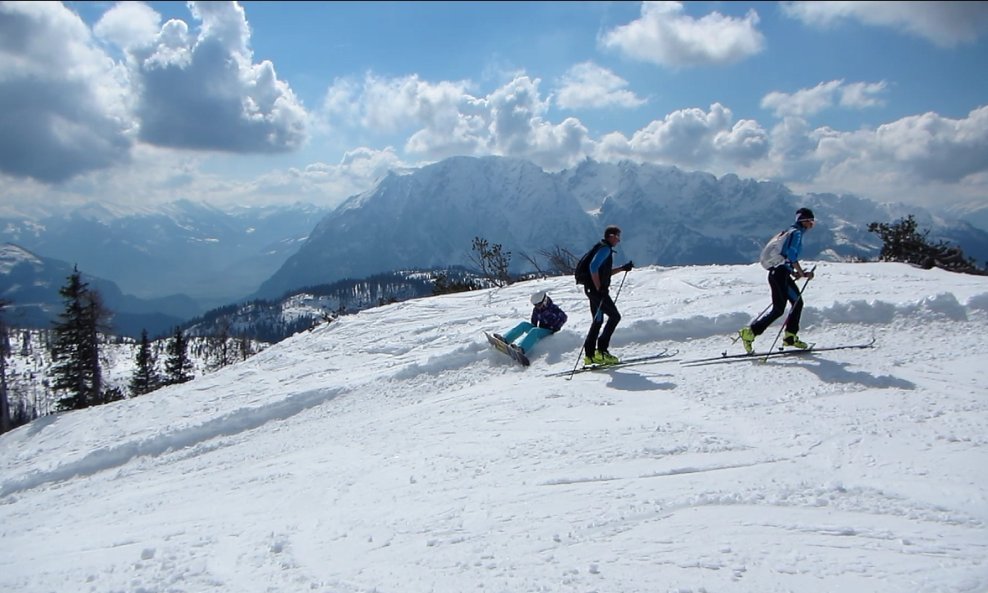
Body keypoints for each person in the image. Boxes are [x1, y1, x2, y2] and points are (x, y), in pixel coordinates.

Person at [738, 208, 817, 354]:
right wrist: (801, 272)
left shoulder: (789, 231)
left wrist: (793, 272)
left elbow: (784, 257)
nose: (812, 224)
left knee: (793, 304)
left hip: (778, 273)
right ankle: (752, 333)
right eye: (811, 221)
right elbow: (791, 254)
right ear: (804, 221)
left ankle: (788, 337)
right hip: (780, 274)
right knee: (783, 308)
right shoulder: (797, 233)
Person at [579, 225, 633, 366]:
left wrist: (622, 269)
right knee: (615, 316)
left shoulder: (601, 247)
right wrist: (599, 287)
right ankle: (602, 351)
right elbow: (593, 267)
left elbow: (602, 271)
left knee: (597, 320)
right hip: (596, 291)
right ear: (611, 236)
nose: (619, 240)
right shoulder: (605, 249)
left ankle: (590, 355)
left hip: (591, 290)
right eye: (617, 236)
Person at [494, 291, 568, 355]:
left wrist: (555, 325)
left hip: (550, 331)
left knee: (534, 331)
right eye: (535, 305)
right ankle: (506, 339)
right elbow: (534, 322)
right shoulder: (537, 310)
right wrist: (531, 328)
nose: (537, 307)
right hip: (540, 330)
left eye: (538, 305)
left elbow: (564, 317)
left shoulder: (553, 308)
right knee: (524, 325)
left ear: (544, 300)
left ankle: (521, 349)